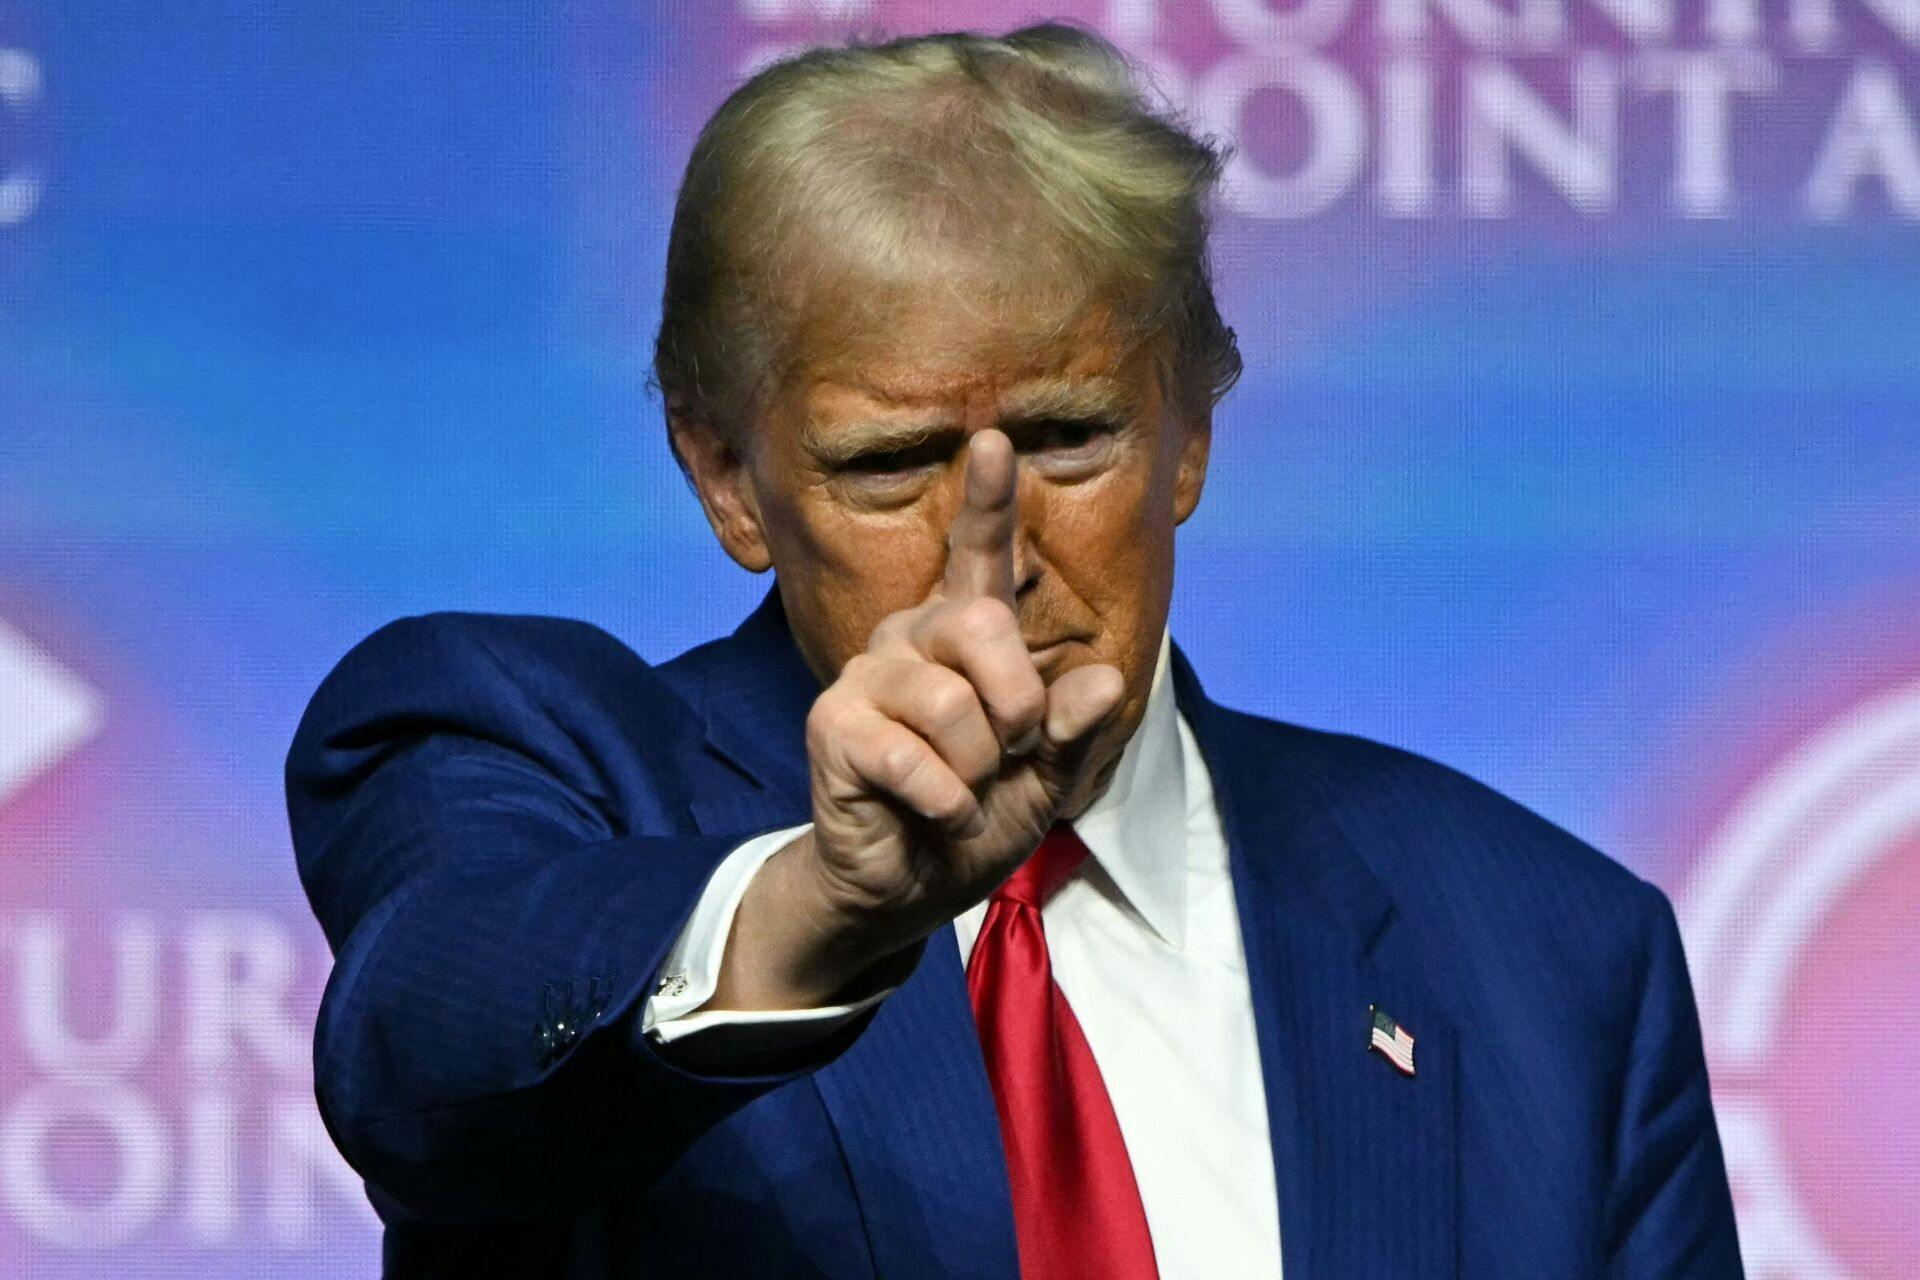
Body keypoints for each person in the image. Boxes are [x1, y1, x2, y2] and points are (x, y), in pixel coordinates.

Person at [285, 23, 1743, 1280]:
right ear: (728, 475)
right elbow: (427, 1063)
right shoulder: (527, 752)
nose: (1000, 545)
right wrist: (819, 908)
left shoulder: (1551, 961)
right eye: (892, 464)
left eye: (1068, 438)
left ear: (1192, 431)